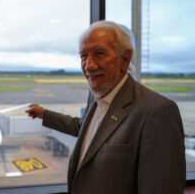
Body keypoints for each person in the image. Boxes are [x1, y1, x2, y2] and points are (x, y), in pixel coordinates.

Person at [26, 20, 186, 194]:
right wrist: (44, 114)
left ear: (125, 59)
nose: (89, 66)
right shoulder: (96, 96)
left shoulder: (158, 112)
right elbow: (88, 130)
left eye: (99, 53)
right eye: (84, 56)